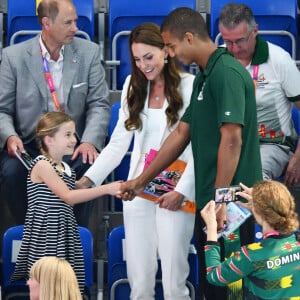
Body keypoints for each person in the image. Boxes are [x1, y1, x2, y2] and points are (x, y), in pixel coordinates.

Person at [117, 8, 262, 300]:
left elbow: (232, 140)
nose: (169, 53)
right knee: (212, 286)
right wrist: (141, 180)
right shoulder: (205, 78)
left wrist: (221, 202)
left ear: (188, 37)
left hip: (233, 203)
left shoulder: (228, 73)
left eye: (170, 46)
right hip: (211, 201)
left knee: (232, 290)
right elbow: (181, 134)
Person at [77, 22, 196, 299]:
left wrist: (182, 191)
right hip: (137, 187)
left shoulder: (190, 86)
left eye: (149, 57)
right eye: (137, 59)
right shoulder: (133, 84)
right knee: (139, 282)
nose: (143, 65)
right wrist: (88, 179)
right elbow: (118, 143)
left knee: (173, 282)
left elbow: (196, 148)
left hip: (177, 186)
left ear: (166, 51)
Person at [0, 0, 111, 228]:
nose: (75, 28)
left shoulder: (88, 53)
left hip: (73, 141)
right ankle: (29, 231)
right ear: (46, 23)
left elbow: (99, 104)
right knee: (11, 172)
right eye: (68, 22)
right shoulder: (14, 57)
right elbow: (2, 109)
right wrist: (10, 137)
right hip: (30, 143)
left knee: (89, 166)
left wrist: (90, 141)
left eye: (75, 21)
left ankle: (73, 231)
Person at [10, 111, 121, 294]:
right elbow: (68, 196)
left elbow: (78, 189)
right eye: (67, 135)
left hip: (64, 228)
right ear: (49, 140)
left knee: (63, 284)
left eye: (74, 134)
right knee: (46, 283)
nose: (74, 140)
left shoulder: (66, 167)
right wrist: (107, 189)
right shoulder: (42, 164)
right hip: (46, 230)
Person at [218, 3, 300, 185]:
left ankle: (248, 213)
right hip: (227, 142)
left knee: (252, 181)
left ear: (255, 30)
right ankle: (218, 213)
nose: (235, 49)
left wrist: (297, 159)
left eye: (240, 40)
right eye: (228, 41)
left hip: (270, 144)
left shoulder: (279, 60)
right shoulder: (219, 58)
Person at [201, 180, 300, 299]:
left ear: (259, 212)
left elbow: (214, 276)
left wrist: (211, 228)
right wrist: (259, 209)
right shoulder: (297, 241)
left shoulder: (250, 255)